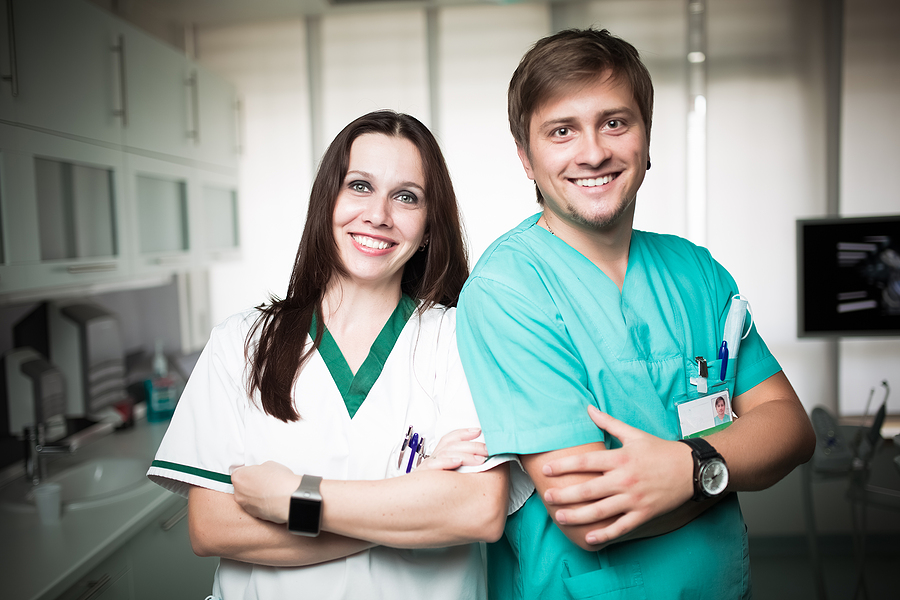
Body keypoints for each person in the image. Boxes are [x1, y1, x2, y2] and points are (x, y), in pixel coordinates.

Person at [456, 28, 816, 599]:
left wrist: (687, 469)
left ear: (646, 139)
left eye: (615, 123)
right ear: (525, 158)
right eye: (562, 131)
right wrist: (722, 466)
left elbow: (791, 428)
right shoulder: (508, 289)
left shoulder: (696, 271)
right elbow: (589, 514)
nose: (594, 152)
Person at [147, 110, 531, 600]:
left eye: (406, 196)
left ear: (430, 227)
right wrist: (409, 501)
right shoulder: (241, 345)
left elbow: (475, 511)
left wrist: (293, 497)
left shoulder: (461, 339)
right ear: (326, 201)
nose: (378, 215)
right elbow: (213, 528)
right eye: (360, 186)